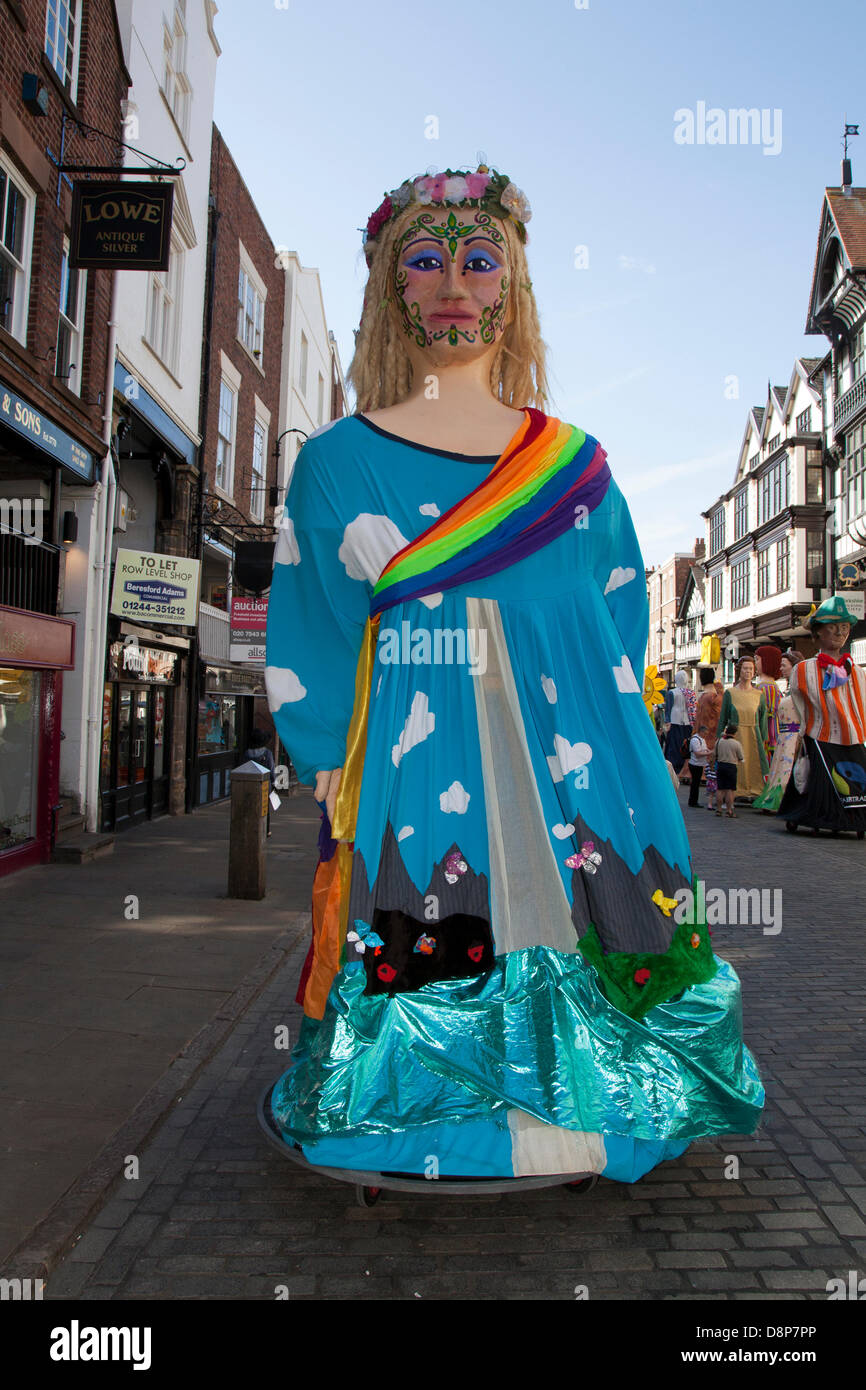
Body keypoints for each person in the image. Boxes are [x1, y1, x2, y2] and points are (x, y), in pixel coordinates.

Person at [264, 163, 763, 1185]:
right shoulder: (337, 464)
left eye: (480, 260)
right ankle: (426, 1116)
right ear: (389, 289)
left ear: (514, 287)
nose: (455, 282)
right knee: (429, 914)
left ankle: (602, 1105)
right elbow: (314, 624)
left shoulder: (576, 469)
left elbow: (617, 623)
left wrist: (620, 749)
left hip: (578, 764)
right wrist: (322, 755)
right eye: (424, 259)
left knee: (596, 913)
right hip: (417, 758)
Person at [778, 597, 866, 837]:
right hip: (820, 735)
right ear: (818, 631)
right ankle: (824, 815)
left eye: (844, 627)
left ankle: (853, 816)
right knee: (824, 779)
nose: (840, 633)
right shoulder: (804, 670)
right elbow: (800, 704)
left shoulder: (857, 672)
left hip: (853, 737)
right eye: (833, 627)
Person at [752, 650, 806, 813]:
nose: (780, 668)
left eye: (784, 665)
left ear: (794, 667)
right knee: (780, 769)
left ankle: (784, 800)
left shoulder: (801, 691)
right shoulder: (789, 690)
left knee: (787, 770)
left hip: (793, 736)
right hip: (783, 737)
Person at [717, 655, 769, 801]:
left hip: (754, 735)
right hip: (735, 735)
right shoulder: (730, 693)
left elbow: (763, 718)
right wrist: (719, 738)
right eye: (745, 668)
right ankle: (735, 791)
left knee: (754, 763)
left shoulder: (759, 695)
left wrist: (764, 738)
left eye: (751, 669)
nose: (748, 671)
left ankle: (754, 790)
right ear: (739, 670)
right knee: (735, 764)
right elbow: (723, 718)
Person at [694, 665, 724, 811]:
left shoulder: (701, 697)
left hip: (700, 732)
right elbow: (720, 712)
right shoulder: (714, 697)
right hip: (713, 732)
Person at [245, 727, 276, 836]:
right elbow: (271, 769)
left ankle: (249, 827)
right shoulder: (267, 753)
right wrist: (274, 782)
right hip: (264, 784)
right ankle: (266, 830)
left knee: (249, 806)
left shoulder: (247, 753)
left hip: (249, 783)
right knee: (264, 808)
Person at [754, 645, 783, 760]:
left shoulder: (765, 688)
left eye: (757, 659)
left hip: (766, 741)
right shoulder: (772, 687)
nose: (755, 663)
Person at [663, 669, 693, 775]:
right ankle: (684, 768)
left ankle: (674, 768)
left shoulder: (672, 692)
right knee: (685, 746)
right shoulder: (690, 693)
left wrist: (667, 721)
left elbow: (668, 709)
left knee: (674, 747)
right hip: (687, 722)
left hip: (674, 721)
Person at [715, 723, 745, 817]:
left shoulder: (719, 741)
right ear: (734, 733)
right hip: (731, 766)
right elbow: (741, 757)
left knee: (720, 788)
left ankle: (719, 809)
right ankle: (729, 811)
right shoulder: (736, 743)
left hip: (720, 765)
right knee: (730, 790)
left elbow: (714, 754)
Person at [686, 724, 710, 807]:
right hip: (695, 764)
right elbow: (697, 754)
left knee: (696, 783)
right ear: (701, 732)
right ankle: (693, 801)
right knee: (695, 784)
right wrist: (709, 753)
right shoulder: (695, 740)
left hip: (699, 764)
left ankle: (694, 801)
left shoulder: (702, 739)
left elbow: (704, 749)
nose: (706, 735)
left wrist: (708, 751)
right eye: (705, 733)